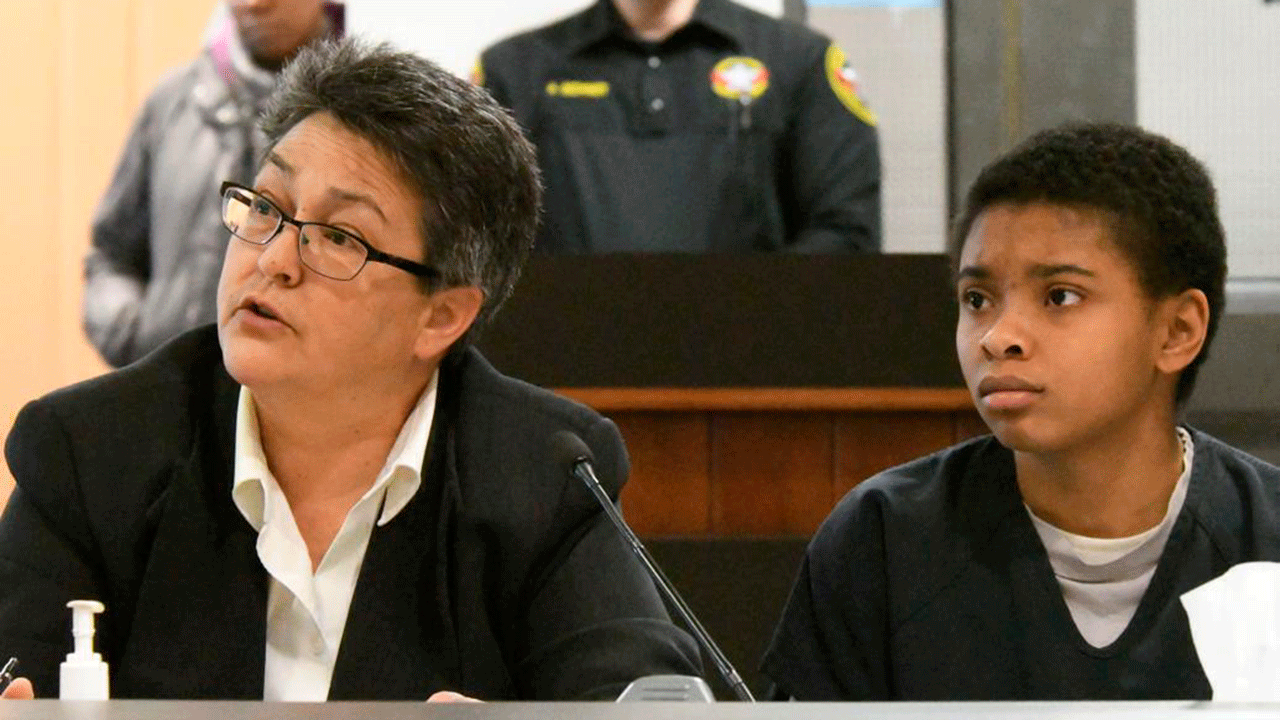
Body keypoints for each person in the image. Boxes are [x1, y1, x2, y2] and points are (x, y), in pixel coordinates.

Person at [1, 38, 699, 701]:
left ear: (442, 317)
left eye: (338, 237)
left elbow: (637, 698)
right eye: (268, 207)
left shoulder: (544, 477)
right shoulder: (93, 452)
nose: (272, 258)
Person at [763, 123, 1280, 699]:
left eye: (1060, 296)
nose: (997, 336)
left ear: (1177, 331)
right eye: (977, 300)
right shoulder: (883, 538)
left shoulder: (1269, 534)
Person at [477, 0, 881, 254]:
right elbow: (475, 240)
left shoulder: (800, 61)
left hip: (757, 364)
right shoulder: (512, 71)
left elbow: (847, 232)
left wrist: (753, 311)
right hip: (560, 361)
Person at [83, 0, 343, 368]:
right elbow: (113, 252)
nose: (253, 3)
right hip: (166, 394)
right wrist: (133, 335)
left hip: (299, 401)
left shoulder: (357, 119)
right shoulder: (172, 103)